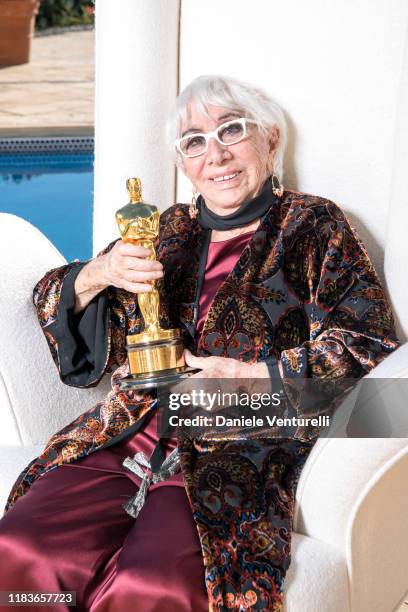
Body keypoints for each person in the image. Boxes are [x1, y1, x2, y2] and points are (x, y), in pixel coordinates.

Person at [0, 74, 399, 612]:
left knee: (152, 582)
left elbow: (367, 336)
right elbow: (58, 299)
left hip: (239, 440)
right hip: (131, 429)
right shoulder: (167, 229)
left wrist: (253, 376)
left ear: (270, 139)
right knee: (21, 547)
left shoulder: (314, 225)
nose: (216, 154)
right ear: (183, 164)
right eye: (194, 142)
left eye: (232, 130)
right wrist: (99, 272)